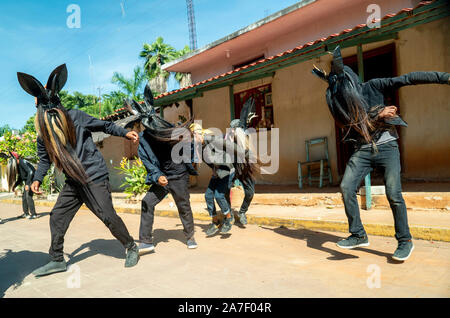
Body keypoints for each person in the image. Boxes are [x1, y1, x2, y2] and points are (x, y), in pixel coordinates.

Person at [312, 46, 450, 261]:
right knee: (347, 187)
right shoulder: (339, 104)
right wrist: (378, 113)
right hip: (362, 150)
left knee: (393, 194)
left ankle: (405, 241)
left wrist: (445, 77)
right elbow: (355, 123)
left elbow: (408, 79)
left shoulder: (373, 86)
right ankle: (358, 234)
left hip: (387, 147)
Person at [17, 64, 140, 277]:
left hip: (94, 176)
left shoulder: (75, 117)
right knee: (57, 216)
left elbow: (104, 125)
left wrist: (124, 133)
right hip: (73, 182)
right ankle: (56, 259)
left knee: (107, 216)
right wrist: (37, 179)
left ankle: (131, 246)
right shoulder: (43, 135)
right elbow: (44, 160)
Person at [125, 84, 198, 254]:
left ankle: (190, 236)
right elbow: (146, 161)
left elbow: (189, 145)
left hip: (179, 175)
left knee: (183, 205)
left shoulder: (171, 129)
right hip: (162, 177)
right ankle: (146, 242)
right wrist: (157, 176)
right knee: (147, 202)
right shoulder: (143, 139)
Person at [190, 123, 250, 236]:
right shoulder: (199, 146)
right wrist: (213, 169)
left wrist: (244, 153)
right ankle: (215, 221)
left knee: (219, 195)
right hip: (217, 172)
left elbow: (228, 145)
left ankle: (229, 218)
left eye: (193, 135)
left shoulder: (211, 139)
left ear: (198, 133)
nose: (192, 139)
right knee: (208, 195)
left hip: (227, 170)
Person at [224, 97, 258, 225]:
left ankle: (242, 212)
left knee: (250, 192)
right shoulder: (228, 140)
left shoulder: (245, 139)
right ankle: (228, 213)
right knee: (224, 189)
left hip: (244, 169)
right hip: (232, 168)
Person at [5, 151, 38, 219]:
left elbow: (31, 172)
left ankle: (34, 214)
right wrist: (15, 185)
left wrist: (28, 184)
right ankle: (26, 213)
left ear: (15, 159)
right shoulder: (18, 166)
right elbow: (20, 178)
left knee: (28, 196)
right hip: (28, 180)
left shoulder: (21, 161)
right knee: (24, 197)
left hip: (32, 179)